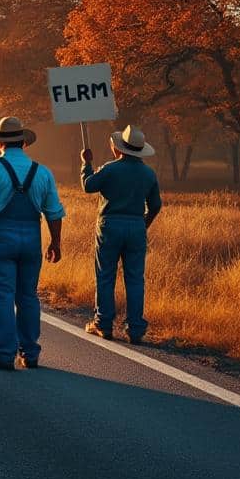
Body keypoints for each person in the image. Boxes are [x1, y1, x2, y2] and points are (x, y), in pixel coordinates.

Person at [0, 116, 65, 371]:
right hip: (31, 237)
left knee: (3, 296)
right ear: (24, 143)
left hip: (0, 237)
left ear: (0, 143)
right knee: (28, 295)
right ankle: (30, 353)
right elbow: (54, 212)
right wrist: (55, 242)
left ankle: (4, 352)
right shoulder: (42, 172)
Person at [81, 125, 162, 345]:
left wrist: (86, 164)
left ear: (120, 149)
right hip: (136, 226)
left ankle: (103, 324)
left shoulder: (110, 168)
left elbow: (88, 186)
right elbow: (155, 205)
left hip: (110, 225)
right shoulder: (148, 173)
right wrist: (143, 223)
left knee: (105, 275)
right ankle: (135, 329)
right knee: (135, 279)